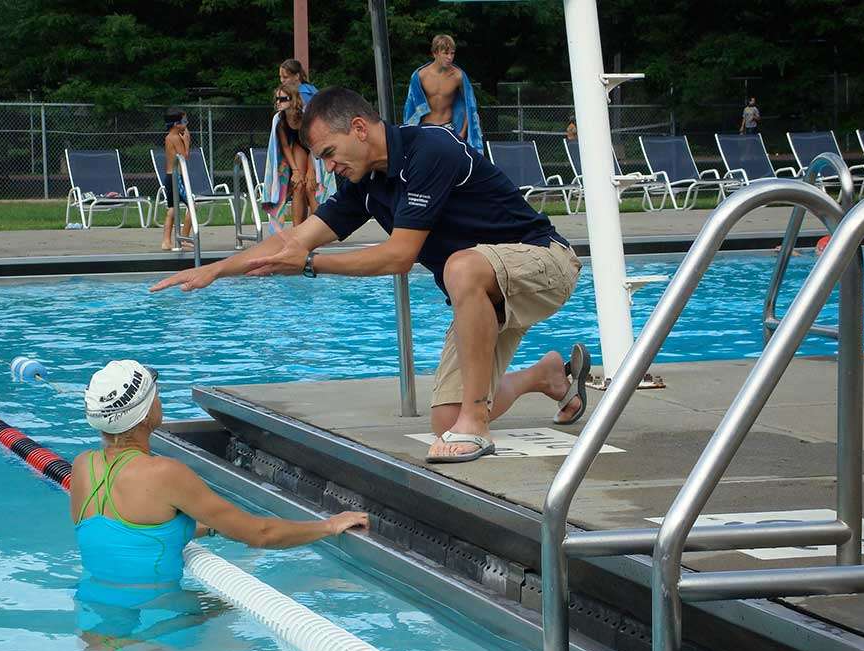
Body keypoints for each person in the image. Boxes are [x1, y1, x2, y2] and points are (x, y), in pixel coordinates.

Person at [151, 88, 590, 464]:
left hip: (544, 262)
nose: (328, 166)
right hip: (482, 292)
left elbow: (398, 256)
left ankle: (477, 424)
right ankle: (545, 376)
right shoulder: (364, 184)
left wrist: (309, 266)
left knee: (461, 265)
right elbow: (295, 240)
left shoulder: (430, 150)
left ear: (359, 129)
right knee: (444, 421)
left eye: (328, 153)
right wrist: (215, 270)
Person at [69, 359, 369, 647]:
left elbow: (129, 535)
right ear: (145, 415)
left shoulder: (83, 467)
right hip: (161, 622)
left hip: (94, 618)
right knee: (250, 623)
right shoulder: (165, 473)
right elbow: (261, 534)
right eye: (155, 395)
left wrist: (210, 528)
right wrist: (329, 525)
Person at [403, 34, 483, 154]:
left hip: (448, 128)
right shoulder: (421, 76)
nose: (450, 57)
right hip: (426, 128)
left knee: (450, 168)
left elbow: (470, 105)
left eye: (452, 53)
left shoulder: (458, 76)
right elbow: (411, 108)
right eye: (446, 53)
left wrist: (462, 132)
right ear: (435, 53)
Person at [265, 83, 317, 228]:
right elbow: (286, 147)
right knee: (298, 185)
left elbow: (313, 144)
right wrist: (295, 171)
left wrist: (311, 171)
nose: (278, 103)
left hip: (314, 149)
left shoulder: (305, 116)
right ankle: (297, 229)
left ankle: (316, 229)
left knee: (311, 187)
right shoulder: (280, 120)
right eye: (277, 99)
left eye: (282, 99)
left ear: (293, 99)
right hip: (299, 146)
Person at [161, 108, 192, 251]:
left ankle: (166, 242)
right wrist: (187, 141)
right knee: (192, 207)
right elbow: (184, 157)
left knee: (172, 209)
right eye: (184, 121)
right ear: (176, 124)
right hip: (176, 177)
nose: (187, 123)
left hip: (169, 177)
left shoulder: (168, 137)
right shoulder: (176, 138)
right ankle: (184, 239)